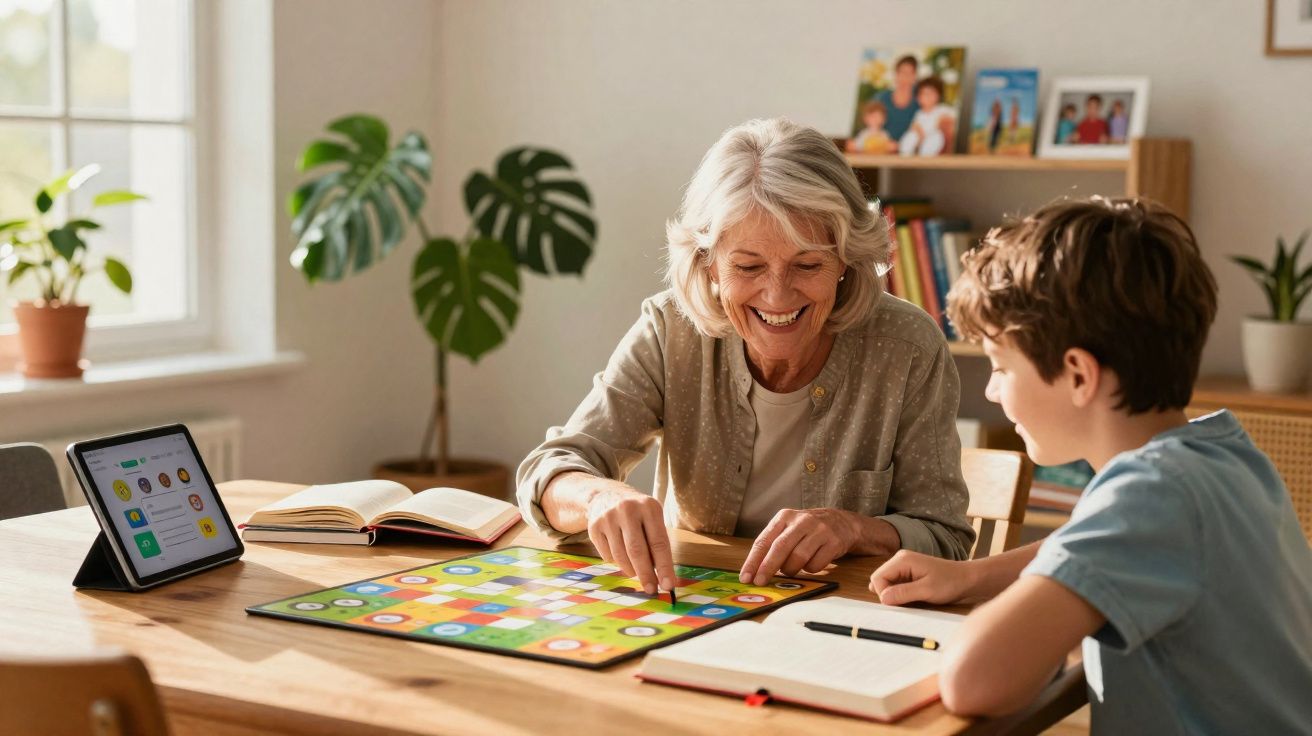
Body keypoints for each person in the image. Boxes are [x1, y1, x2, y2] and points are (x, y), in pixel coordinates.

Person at [869, 197, 1312, 732]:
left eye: (1001, 366)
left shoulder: (1152, 493)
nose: (991, 390)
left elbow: (972, 680)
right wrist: (971, 577)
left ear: (1079, 375)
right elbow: (1091, 545)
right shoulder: (1220, 454)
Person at [518, 118, 975, 596]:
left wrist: (854, 529)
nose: (777, 295)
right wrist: (597, 497)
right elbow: (550, 469)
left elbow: (946, 537)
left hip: (841, 622)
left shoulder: (907, 348)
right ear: (708, 263)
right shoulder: (671, 329)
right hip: (693, 609)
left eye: (808, 263)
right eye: (748, 266)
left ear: (845, 260)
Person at [898, 76, 956, 156]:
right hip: (920, 137)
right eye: (924, 94)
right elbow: (915, 125)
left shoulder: (943, 109)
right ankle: (905, 155)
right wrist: (917, 131)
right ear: (918, 98)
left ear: (938, 96)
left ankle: (925, 157)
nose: (927, 97)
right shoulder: (919, 113)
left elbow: (954, 120)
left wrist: (944, 122)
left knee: (936, 137)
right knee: (911, 136)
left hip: (934, 137)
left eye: (931, 93)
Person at [874, 54, 920, 144]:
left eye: (909, 74)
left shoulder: (920, 101)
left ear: (914, 77)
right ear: (896, 75)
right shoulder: (882, 99)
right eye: (901, 73)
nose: (904, 78)